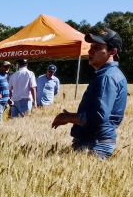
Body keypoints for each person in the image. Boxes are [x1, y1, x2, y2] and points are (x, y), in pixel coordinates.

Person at [51, 29, 127, 159]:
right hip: (94, 141)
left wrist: (68, 118)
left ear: (113, 52)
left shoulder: (107, 77)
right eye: (91, 47)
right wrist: (70, 115)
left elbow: (97, 117)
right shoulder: (109, 74)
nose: (90, 51)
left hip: (95, 143)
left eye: (97, 48)